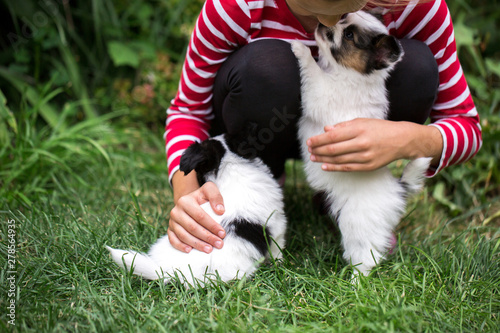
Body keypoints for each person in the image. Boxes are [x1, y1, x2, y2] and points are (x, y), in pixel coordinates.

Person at [164, 0, 482, 254]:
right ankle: (259, 184)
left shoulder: (410, 4)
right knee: (265, 67)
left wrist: (410, 139)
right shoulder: (238, 6)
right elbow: (187, 111)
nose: (347, 14)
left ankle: (343, 198)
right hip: (261, 130)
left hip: (347, 152)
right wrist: (187, 192)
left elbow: (468, 126)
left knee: (417, 67)